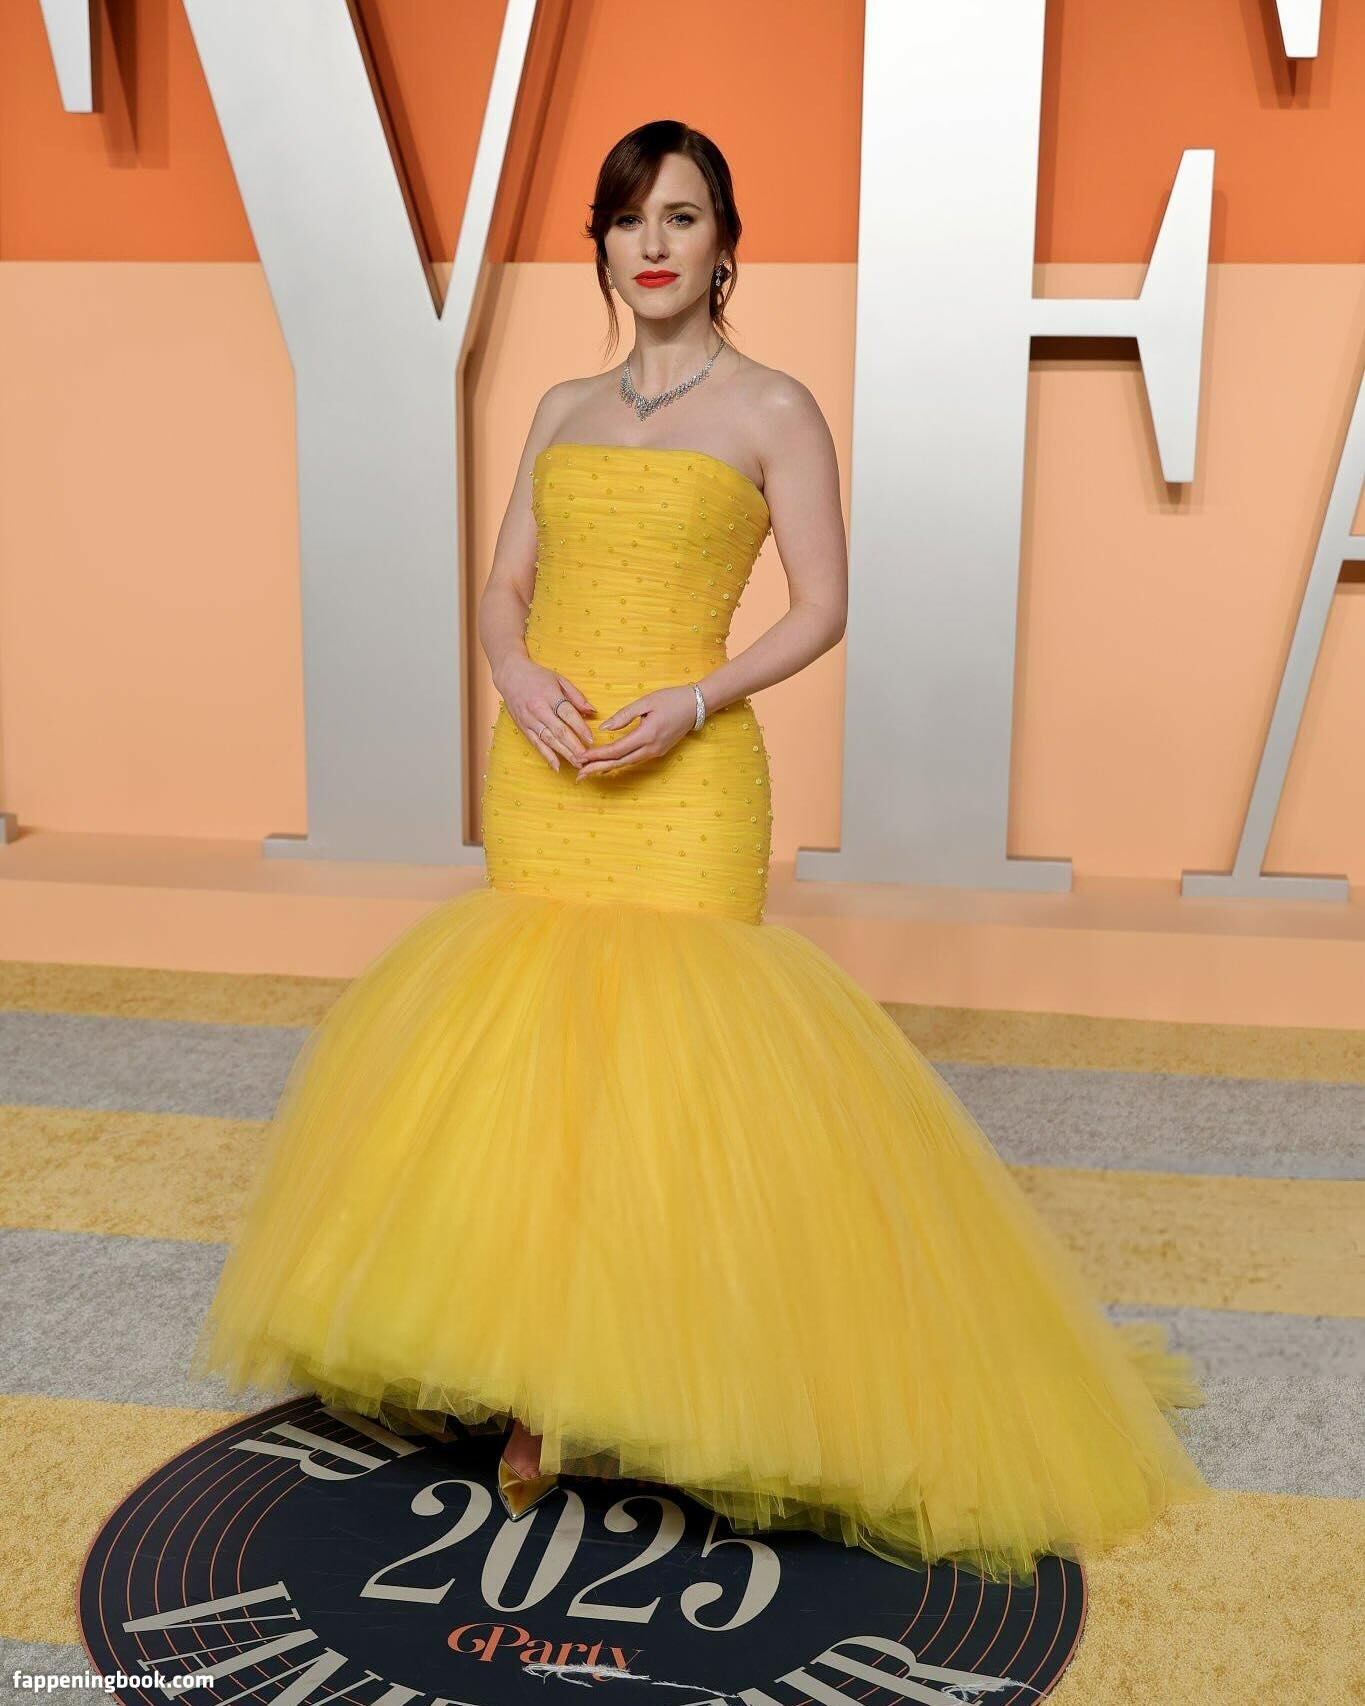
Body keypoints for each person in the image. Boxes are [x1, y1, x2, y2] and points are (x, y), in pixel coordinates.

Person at [190, 119, 1212, 1582]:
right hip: (548, 768)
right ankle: (539, 1379)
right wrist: (512, 673)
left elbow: (823, 604)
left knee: (673, 1085)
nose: (653, 243)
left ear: (726, 240)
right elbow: (503, 585)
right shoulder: (559, 407)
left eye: (681, 215)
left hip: (688, 774)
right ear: (601, 246)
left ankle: (676, 1376)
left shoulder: (775, 407)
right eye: (628, 219)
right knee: (534, 1077)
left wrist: (694, 699)